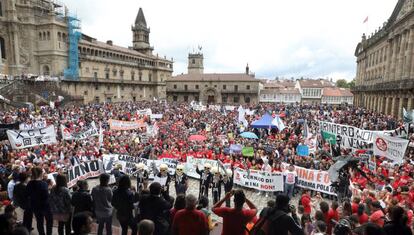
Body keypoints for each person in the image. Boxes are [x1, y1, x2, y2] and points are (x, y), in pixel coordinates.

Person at [26, 167, 53, 235]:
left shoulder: (29, 183)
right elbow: (46, 196)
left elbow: (27, 194)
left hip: (35, 206)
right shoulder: (43, 184)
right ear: (41, 174)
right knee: (49, 222)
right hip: (45, 206)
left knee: (39, 222)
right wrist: (49, 190)